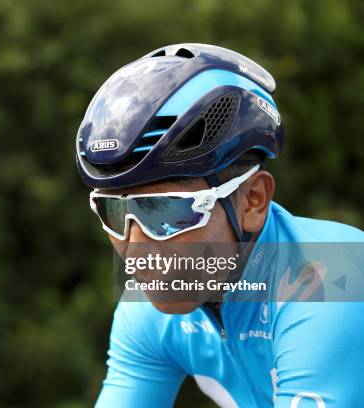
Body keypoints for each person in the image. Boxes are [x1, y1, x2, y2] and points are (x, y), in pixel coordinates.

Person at [76, 43, 364, 407]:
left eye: (164, 213)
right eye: (114, 213)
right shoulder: (144, 307)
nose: (134, 249)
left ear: (253, 201)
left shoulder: (335, 280)